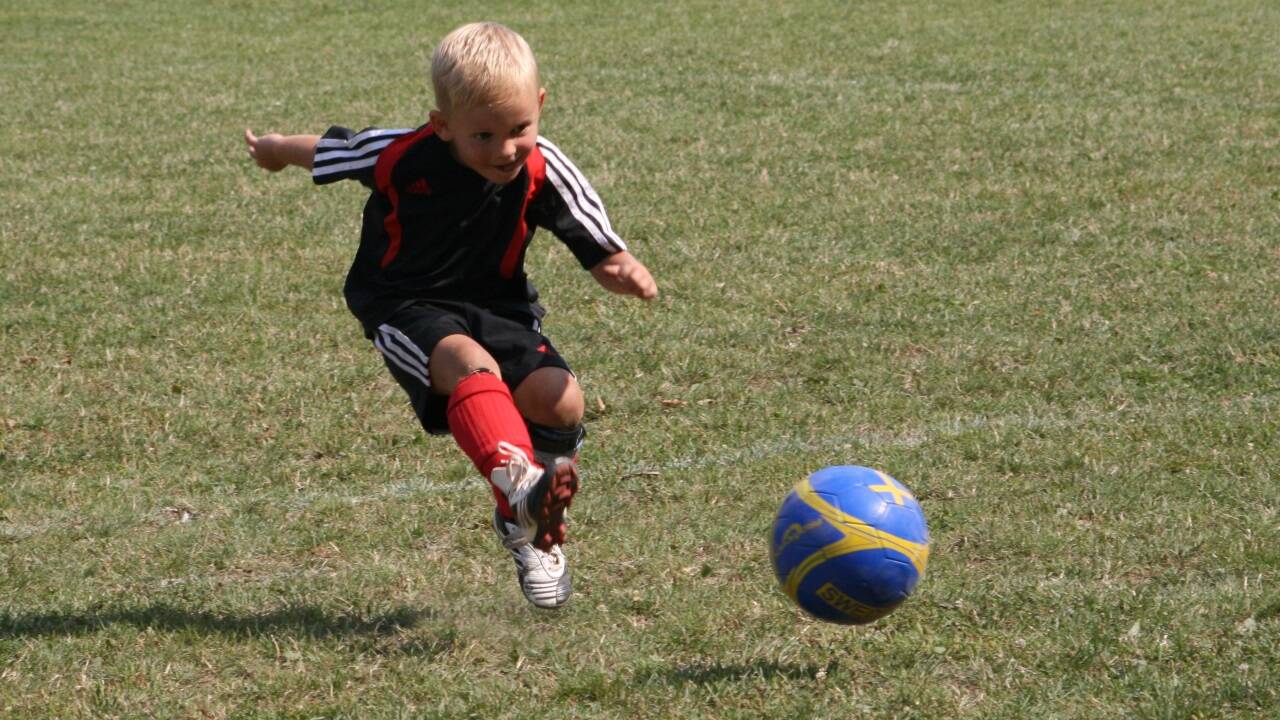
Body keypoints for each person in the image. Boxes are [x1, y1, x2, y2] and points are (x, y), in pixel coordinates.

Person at [242, 21, 657, 608]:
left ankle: (528, 525)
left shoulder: (543, 167)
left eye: (520, 129)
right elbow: (330, 150)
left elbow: (597, 242)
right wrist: (276, 150)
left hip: (499, 304)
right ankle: (516, 483)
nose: (505, 149)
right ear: (442, 127)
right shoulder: (401, 156)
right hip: (404, 301)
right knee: (469, 363)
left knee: (561, 400)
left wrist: (619, 268)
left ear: (539, 107)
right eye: (483, 136)